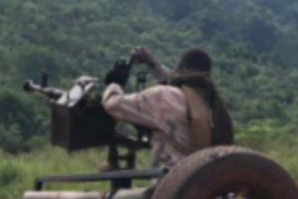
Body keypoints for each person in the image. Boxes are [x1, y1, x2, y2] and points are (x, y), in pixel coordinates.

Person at [100, 46, 234, 168]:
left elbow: (112, 104)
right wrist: (152, 63)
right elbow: (173, 78)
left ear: (183, 68)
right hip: (201, 179)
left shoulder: (164, 96)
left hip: (172, 181)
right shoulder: (210, 102)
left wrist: (114, 84)